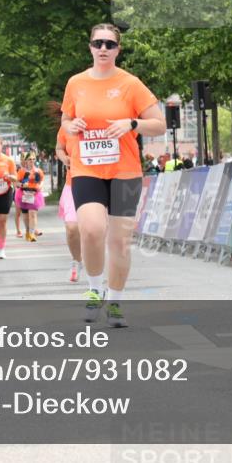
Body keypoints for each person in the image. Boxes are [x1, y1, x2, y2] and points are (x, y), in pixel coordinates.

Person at [61, 23, 166, 327]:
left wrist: (132, 123)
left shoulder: (131, 84)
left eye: (109, 44)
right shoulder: (76, 83)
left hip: (124, 170)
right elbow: (66, 120)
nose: (103, 49)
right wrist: (72, 127)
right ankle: (95, 292)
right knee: (92, 230)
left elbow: (158, 124)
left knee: (119, 241)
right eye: (98, 44)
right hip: (87, 168)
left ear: (118, 49)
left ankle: (116, 301)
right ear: (90, 47)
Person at [56, 117, 83, 282]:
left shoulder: (100, 120)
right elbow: (59, 147)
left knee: (96, 230)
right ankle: (77, 261)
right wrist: (64, 157)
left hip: (99, 181)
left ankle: (100, 270)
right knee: (72, 227)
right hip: (73, 183)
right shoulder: (66, 127)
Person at [15, 152, 45, 242]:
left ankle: (32, 233)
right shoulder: (21, 171)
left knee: (33, 214)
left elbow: (42, 181)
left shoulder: (38, 171)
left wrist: (40, 186)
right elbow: (16, 183)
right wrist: (22, 184)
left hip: (35, 194)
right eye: (29, 159)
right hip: (24, 195)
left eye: (33, 159)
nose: (31, 161)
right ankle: (27, 231)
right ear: (26, 161)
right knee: (25, 215)